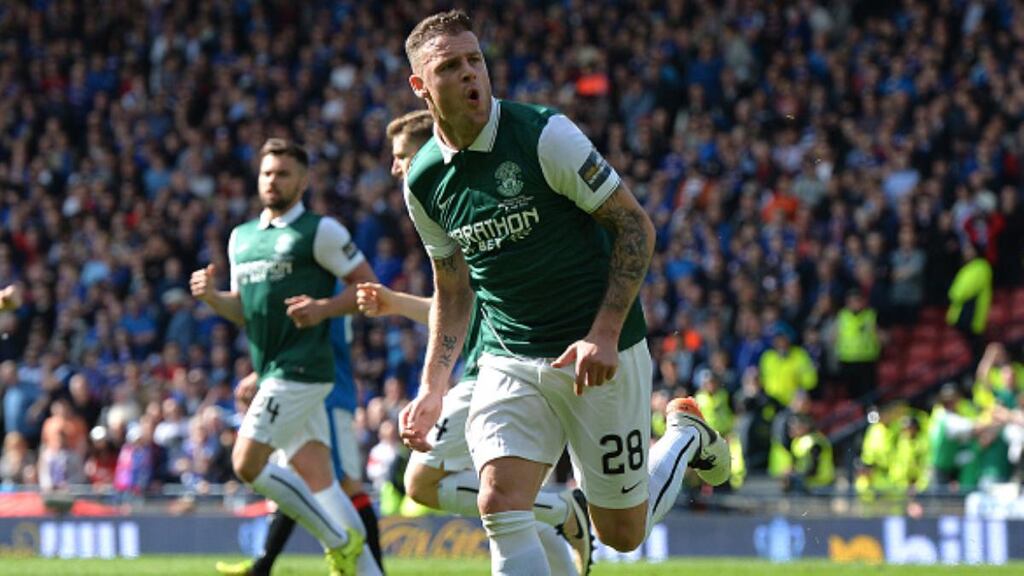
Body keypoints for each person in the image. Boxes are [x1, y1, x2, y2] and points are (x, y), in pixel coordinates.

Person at [397, 11, 729, 575]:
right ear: (420, 85)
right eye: (450, 66)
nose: (471, 74)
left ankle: (681, 436)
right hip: (508, 359)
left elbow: (634, 227)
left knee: (622, 533)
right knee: (500, 501)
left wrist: (602, 335)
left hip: (598, 354)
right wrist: (433, 384)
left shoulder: (544, 134)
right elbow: (452, 285)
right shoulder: (423, 179)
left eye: (475, 60)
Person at [356, 109, 586, 575]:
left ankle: (566, 512)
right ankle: (565, 522)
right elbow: (456, 308)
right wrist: (396, 303)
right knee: (503, 499)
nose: (396, 168)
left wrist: (398, 305)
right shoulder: (445, 209)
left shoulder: (461, 209)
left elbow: (466, 304)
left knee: (422, 480)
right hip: (500, 366)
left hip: (497, 368)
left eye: (402, 156)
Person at [190, 138, 379, 576]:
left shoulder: (321, 231)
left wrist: (325, 309)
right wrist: (214, 299)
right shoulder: (242, 238)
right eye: (267, 173)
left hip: (303, 371)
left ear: (304, 180)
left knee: (247, 463)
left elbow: (370, 291)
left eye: (283, 173)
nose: (273, 181)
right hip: (274, 370)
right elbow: (246, 312)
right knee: (322, 482)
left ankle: (336, 540)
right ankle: (370, 571)